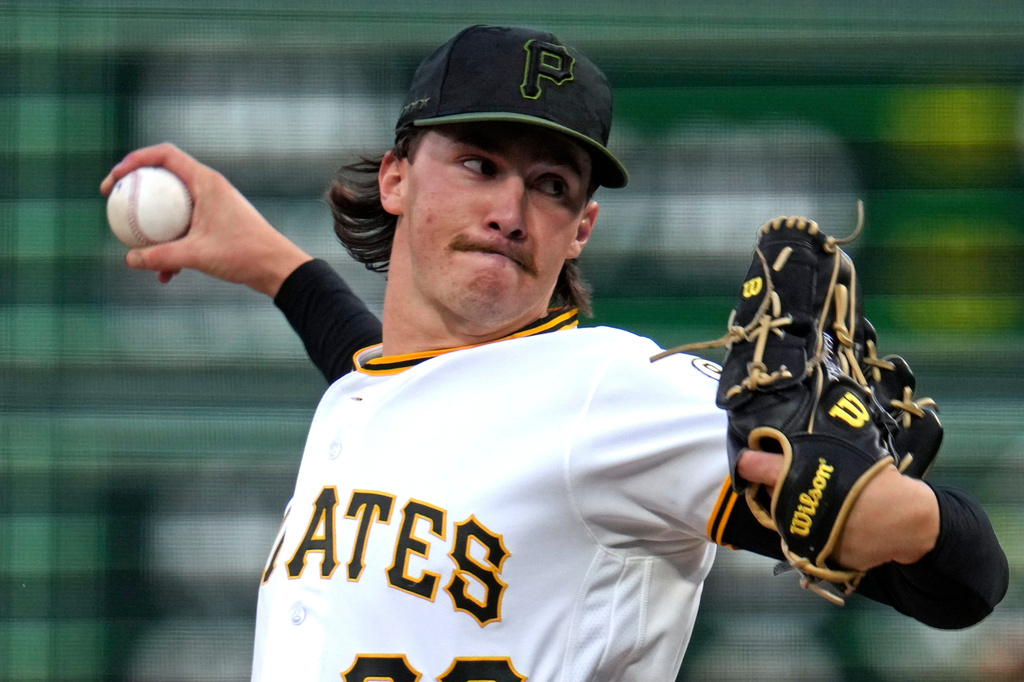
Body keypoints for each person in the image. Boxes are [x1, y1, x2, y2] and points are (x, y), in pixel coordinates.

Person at [101, 25, 1007, 682]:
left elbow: (967, 581)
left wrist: (910, 518)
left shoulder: (612, 395)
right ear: (395, 177)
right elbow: (387, 372)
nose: (510, 208)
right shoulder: (379, 390)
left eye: (549, 185)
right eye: (479, 164)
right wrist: (275, 264)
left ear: (581, 229)